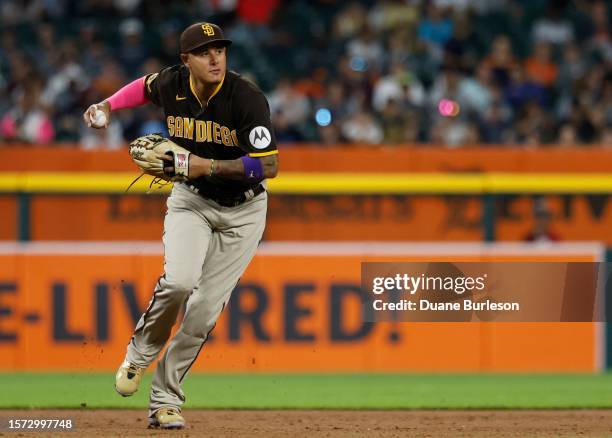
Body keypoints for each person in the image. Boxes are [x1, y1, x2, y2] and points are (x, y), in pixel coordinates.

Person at [83, 22, 278, 429]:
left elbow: (268, 165)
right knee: (179, 282)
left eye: (220, 50)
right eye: (205, 52)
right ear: (185, 59)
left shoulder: (246, 98)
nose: (215, 58)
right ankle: (138, 354)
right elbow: (142, 86)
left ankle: (164, 401)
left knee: (204, 312)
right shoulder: (172, 84)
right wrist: (107, 106)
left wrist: (203, 164)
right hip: (192, 200)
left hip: (244, 212)